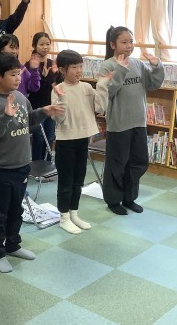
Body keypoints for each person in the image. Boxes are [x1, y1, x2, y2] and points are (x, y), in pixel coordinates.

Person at [0, 53, 63, 273]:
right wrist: (5, 117)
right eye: (13, 75)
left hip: (22, 164)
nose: (18, 79)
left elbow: (28, 121)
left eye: (19, 74)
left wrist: (43, 112)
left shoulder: (20, 97)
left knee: (17, 210)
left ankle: (13, 245)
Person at [96, 26, 164, 215]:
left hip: (139, 122)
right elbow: (108, 92)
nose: (129, 46)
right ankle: (113, 200)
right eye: (124, 42)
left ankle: (129, 198)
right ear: (113, 45)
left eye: (131, 42)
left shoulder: (137, 63)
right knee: (117, 165)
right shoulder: (107, 66)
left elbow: (153, 84)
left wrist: (157, 66)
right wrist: (120, 71)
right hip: (119, 124)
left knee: (138, 162)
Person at [51, 50, 99, 234]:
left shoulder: (86, 87)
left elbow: (100, 106)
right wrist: (62, 98)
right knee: (66, 181)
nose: (79, 70)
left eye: (80, 66)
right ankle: (64, 217)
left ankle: (74, 213)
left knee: (79, 179)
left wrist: (104, 83)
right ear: (63, 70)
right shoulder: (57, 89)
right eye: (74, 67)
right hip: (65, 141)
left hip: (82, 140)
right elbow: (59, 119)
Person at [28, 32, 58, 161]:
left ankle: (48, 164)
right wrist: (44, 77)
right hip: (36, 107)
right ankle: (37, 165)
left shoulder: (52, 64)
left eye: (47, 44)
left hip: (50, 106)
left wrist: (57, 74)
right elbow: (33, 88)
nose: (45, 47)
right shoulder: (30, 65)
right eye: (41, 44)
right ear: (34, 45)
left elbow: (57, 85)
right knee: (39, 138)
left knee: (50, 137)